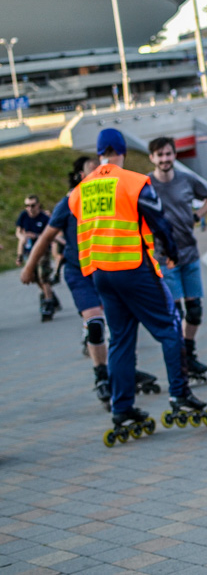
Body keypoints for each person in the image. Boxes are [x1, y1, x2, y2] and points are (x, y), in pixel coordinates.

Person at [69, 128, 207, 444]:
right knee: (169, 328)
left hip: (101, 273)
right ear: (123, 151)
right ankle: (180, 395)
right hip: (134, 267)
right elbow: (159, 220)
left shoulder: (81, 190)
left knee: (120, 340)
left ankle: (122, 408)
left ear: (99, 152)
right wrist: (172, 253)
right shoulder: (133, 182)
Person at [20, 156, 115, 408]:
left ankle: (125, 369)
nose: (98, 175)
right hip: (78, 270)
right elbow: (46, 236)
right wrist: (29, 267)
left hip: (108, 269)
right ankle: (101, 376)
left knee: (118, 324)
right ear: (81, 176)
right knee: (95, 323)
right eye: (93, 171)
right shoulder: (70, 201)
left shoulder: (112, 197)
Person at [148, 137, 207, 381]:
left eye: (168, 154)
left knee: (195, 311)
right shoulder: (146, 184)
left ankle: (189, 353)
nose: (165, 159)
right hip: (164, 257)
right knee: (175, 314)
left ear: (174, 155)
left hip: (189, 253)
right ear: (152, 158)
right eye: (160, 155)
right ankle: (179, 361)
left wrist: (198, 215)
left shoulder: (186, 180)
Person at [16, 194, 60, 321]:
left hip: (42, 251)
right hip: (29, 252)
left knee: (43, 276)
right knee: (34, 278)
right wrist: (22, 238)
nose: (30, 208)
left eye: (32, 205)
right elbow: (18, 232)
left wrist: (35, 236)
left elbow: (50, 234)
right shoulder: (23, 216)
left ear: (38, 205)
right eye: (27, 206)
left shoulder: (44, 218)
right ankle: (51, 297)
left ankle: (48, 303)